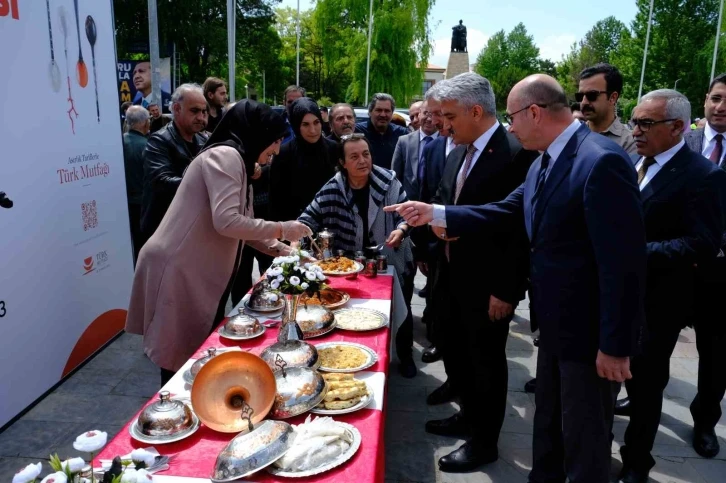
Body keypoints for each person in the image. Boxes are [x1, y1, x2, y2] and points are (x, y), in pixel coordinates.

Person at [386, 74, 647, 483]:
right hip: (556, 329)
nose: (510, 127)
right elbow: (505, 209)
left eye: (512, 118)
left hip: (589, 336)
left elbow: (624, 264)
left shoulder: (601, 161)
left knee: (584, 442)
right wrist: (433, 213)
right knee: (548, 429)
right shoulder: (547, 157)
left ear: (535, 113)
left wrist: (615, 346)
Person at [126, 100, 312, 386]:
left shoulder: (238, 160)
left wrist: (286, 252)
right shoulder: (225, 157)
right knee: (178, 360)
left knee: (196, 353)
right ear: (257, 133)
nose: (276, 150)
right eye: (275, 141)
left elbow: (246, 227)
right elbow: (227, 222)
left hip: (196, 270)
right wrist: (284, 228)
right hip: (180, 269)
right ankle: (174, 414)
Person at [411, 73, 537, 473]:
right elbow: (443, 201)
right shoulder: (456, 151)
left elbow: (520, 231)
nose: (442, 124)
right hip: (450, 275)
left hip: (489, 286)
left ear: (476, 111)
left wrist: (507, 290)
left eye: (449, 115)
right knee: (457, 350)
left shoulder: (518, 154)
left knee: (486, 363)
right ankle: (467, 415)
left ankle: (484, 443)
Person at [618, 90, 726, 483]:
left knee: (646, 385)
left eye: (646, 123)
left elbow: (702, 243)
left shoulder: (704, 175)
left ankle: (636, 463)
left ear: (678, 127)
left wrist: (635, 252)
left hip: (660, 299)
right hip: (617, 292)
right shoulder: (631, 162)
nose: (636, 130)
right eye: (634, 121)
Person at [299, 134, 417, 378]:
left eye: (366, 154)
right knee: (354, 312)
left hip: (389, 257)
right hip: (351, 265)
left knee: (401, 308)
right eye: (354, 156)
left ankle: (405, 355)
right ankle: (357, 354)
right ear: (342, 162)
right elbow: (307, 218)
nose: (363, 160)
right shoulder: (333, 188)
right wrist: (295, 239)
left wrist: (401, 229)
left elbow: (407, 213)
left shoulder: (388, 181)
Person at [682, 74, 726, 459]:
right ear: (705, 99)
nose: (721, 106)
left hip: (722, 273)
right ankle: (640, 395)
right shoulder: (684, 140)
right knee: (654, 342)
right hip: (677, 265)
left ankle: (705, 420)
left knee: (716, 354)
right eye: (716, 98)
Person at [140, 84, 209, 244]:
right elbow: (162, 182)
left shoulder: (203, 140)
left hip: (192, 231)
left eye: (204, 111)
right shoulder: (159, 141)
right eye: (194, 111)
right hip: (164, 232)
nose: (201, 117)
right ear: (177, 109)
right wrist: (206, 181)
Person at [417, 84, 455, 365]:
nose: (430, 119)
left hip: (464, 247)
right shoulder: (432, 148)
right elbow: (426, 196)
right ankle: (438, 343)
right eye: (427, 113)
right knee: (436, 298)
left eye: (436, 113)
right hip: (433, 243)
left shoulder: (472, 147)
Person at [269, 98, 338, 222]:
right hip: (295, 225)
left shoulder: (334, 149)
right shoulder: (284, 153)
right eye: (305, 124)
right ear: (296, 126)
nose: (313, 130)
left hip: (332, 223)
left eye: (316, 122)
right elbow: (276, 199)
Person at [577, 63, 636, 154]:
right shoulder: (573, 135)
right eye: (580, 96)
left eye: (592, 95)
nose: (584, 102)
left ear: (613, 98)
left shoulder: (629, 143)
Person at [392, 101, 439, 204]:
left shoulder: (448, 141)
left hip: (437, 208)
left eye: (434, 114)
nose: (429, 119)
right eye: (426, 113)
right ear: (420, 113)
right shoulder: (403, 141)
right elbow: (395, 177)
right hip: (408, 206)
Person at [122, 106, 150, 265]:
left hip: (124, 203)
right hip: (142, 205)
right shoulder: (149, 146)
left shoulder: (119, 143)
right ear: (145, 123)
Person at [355, 93, 409, 169]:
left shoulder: (402, 134)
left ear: (392, 113)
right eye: (379, 110)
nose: (383, 115)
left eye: (387, 111)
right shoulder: (357, 132)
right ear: (370, 112)